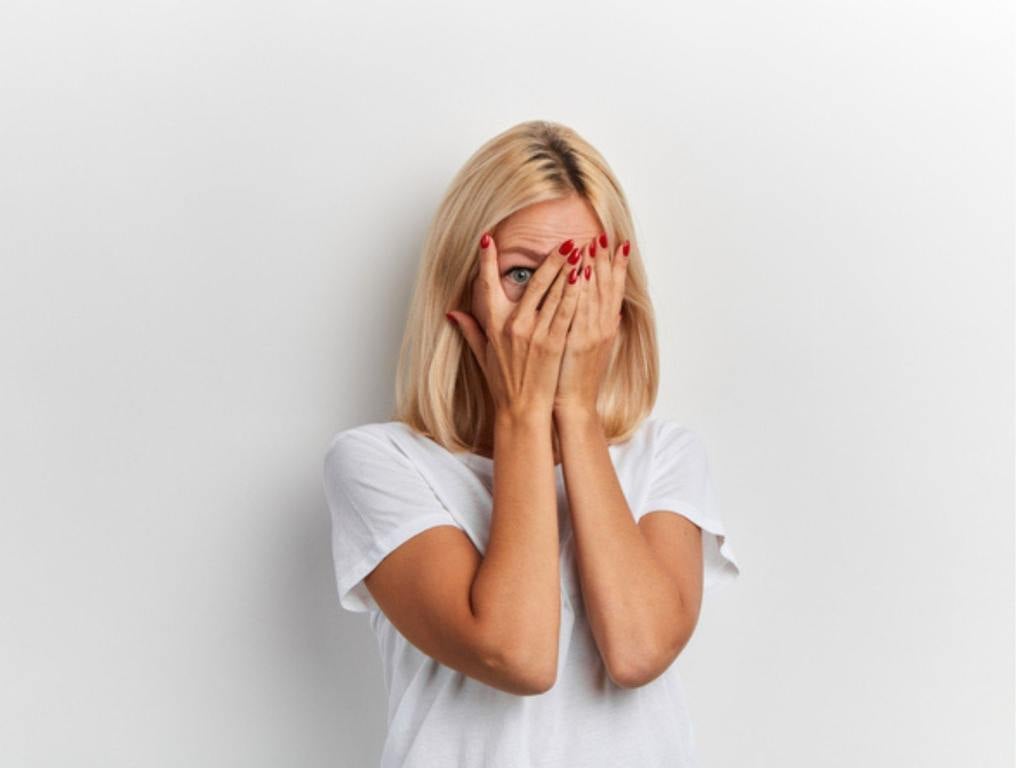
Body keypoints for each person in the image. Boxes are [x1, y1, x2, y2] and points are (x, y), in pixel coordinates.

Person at [322, 119, 741, 767]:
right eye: (522, 275)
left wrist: (574, 410)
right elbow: (517, 653)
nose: (558, 308)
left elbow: (637, 651)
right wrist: (521, 413)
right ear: (463, 289)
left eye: (581, 273)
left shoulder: (665, 457)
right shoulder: (381, 463)